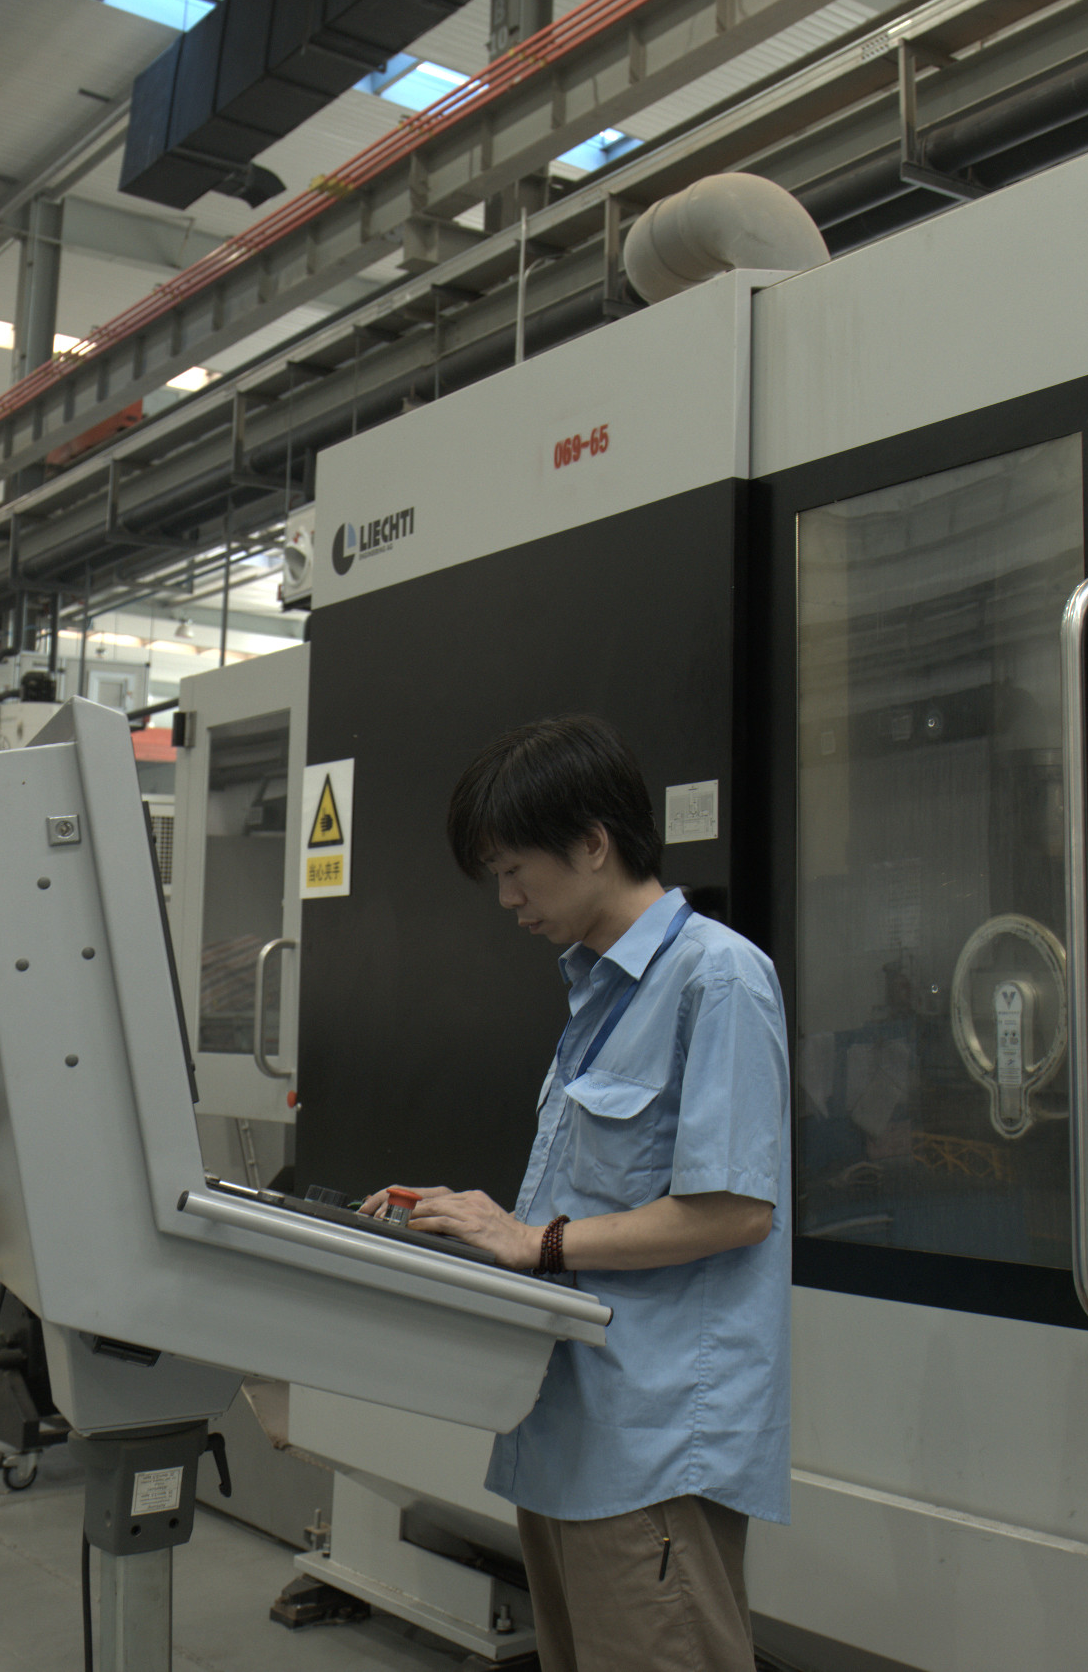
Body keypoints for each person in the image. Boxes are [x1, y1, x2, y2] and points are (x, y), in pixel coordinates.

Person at [370, 714, 790, 1672]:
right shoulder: (600, 993)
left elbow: (735, 1211)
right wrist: (474, 1224)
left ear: (594, 844)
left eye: (517, 869)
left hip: (651, 1447)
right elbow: (594, 1197)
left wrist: (535, 1240)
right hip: (569, 1427)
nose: (508, 898)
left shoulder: (718, 977)